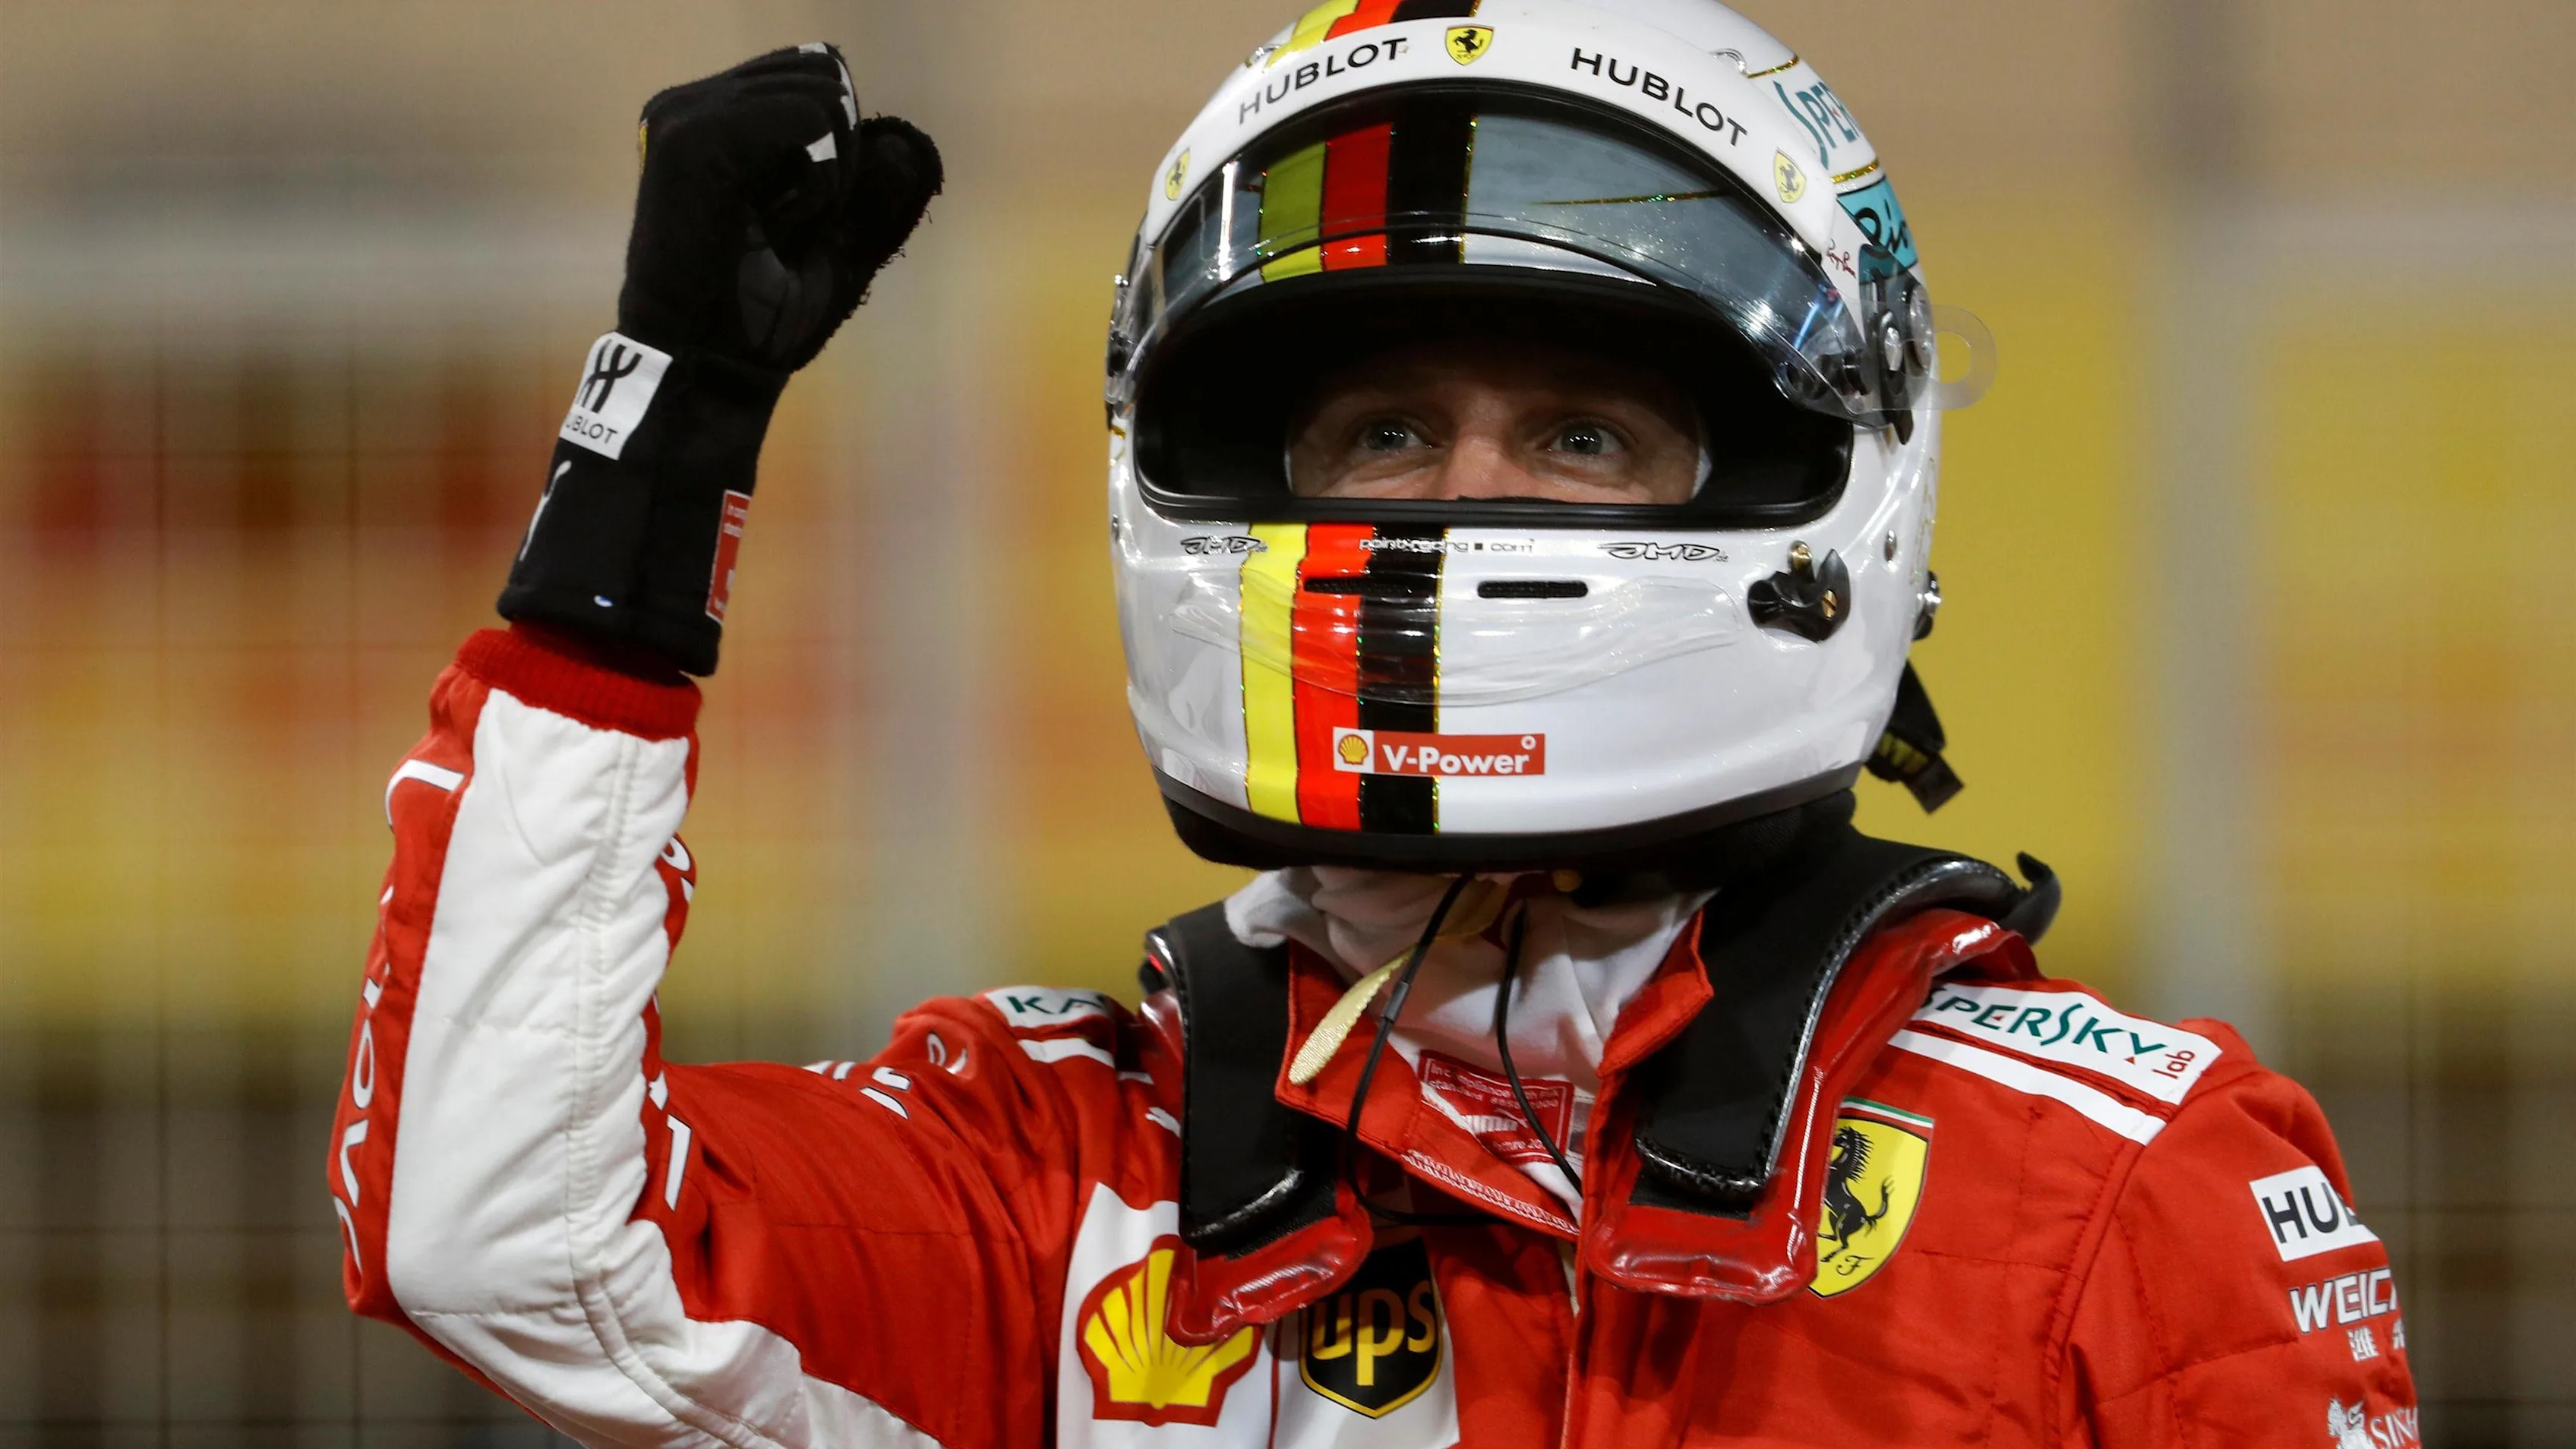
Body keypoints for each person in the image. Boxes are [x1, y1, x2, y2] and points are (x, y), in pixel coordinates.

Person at [330, 6, 2421, 1445]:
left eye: (1581, 430)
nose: (1459, 499)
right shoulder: (1070, 1180)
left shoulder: (2123, 1197)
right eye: (1386, 430)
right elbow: (495, 1225)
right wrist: (657, 450)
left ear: (1814, 472)